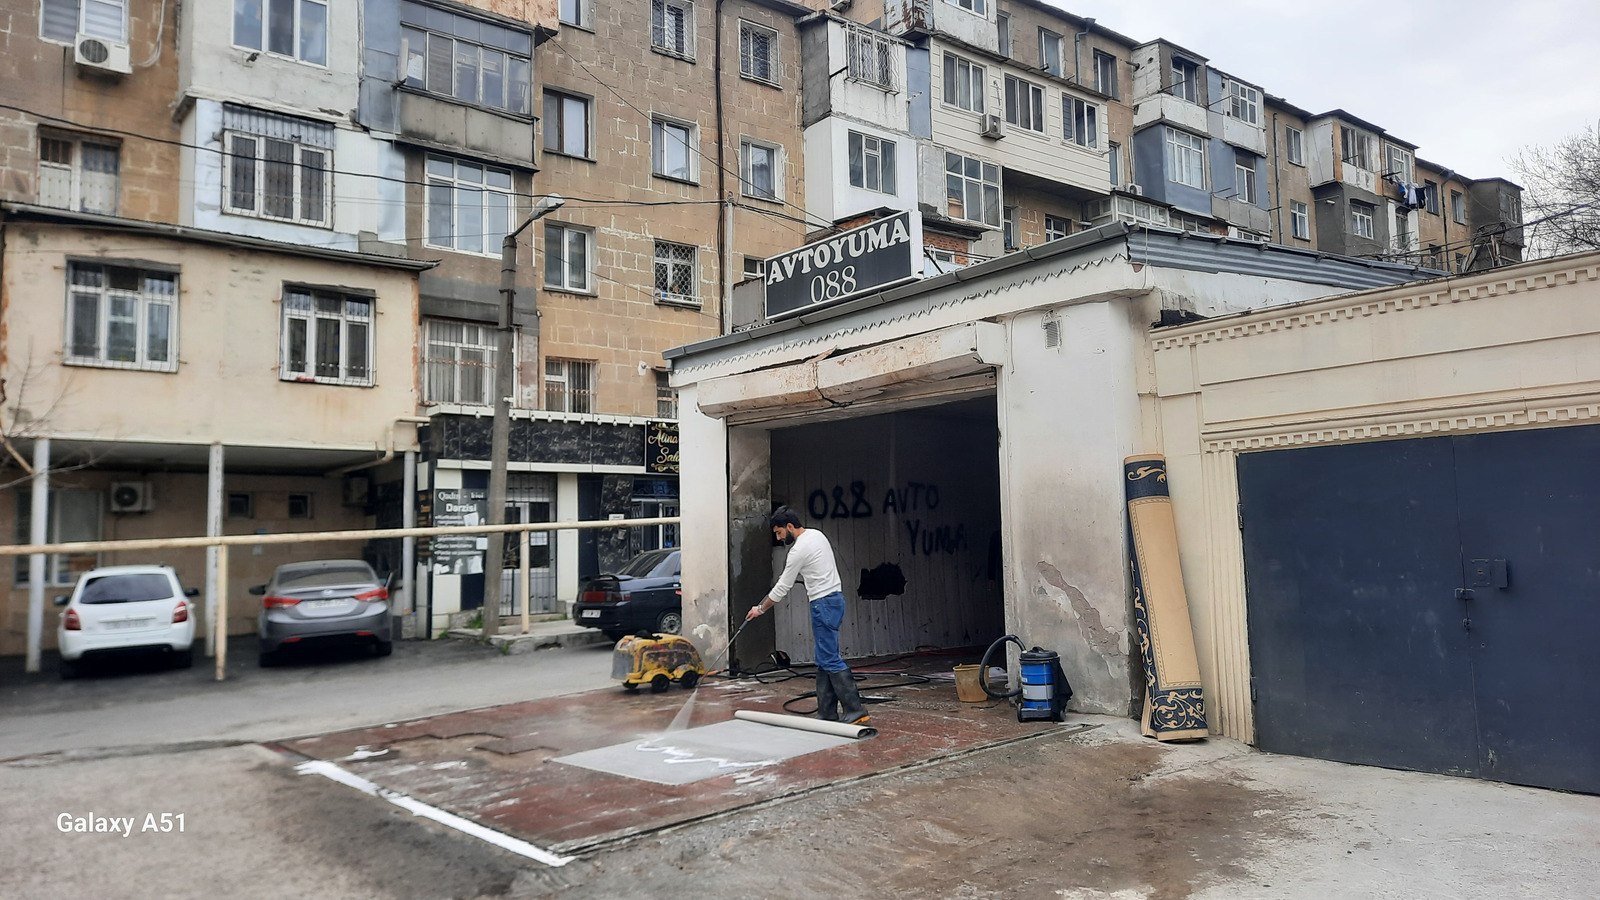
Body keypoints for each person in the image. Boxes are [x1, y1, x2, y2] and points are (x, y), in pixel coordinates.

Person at [745, 507, 869, 725]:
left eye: (779, 532)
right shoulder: (817, 535)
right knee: (823, 658)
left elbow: (782, 587)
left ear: (789, 526)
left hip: (823, 604)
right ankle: (827, 712)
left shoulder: (798, 550)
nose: (778, 538)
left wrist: (760, 609)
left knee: (829, 659)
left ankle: (855, 710)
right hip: (834, 600)